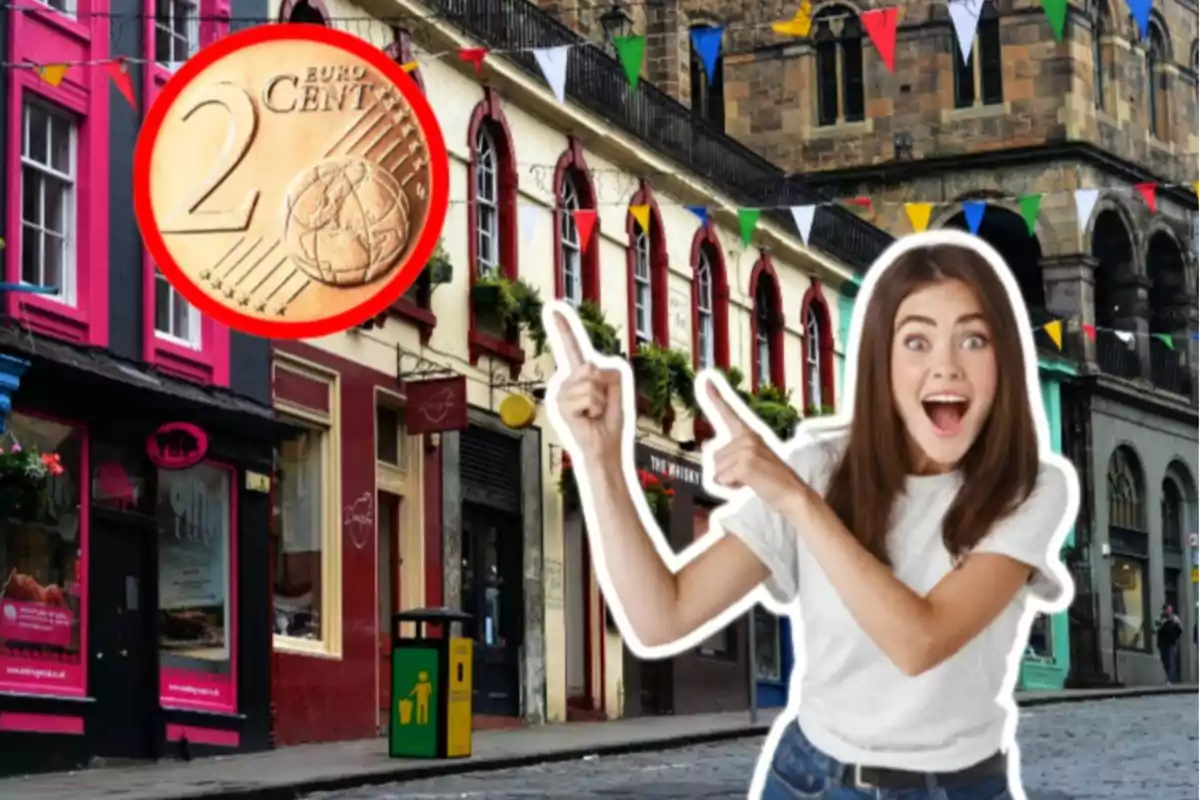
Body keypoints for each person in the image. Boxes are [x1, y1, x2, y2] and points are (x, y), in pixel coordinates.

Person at [545, 233, 1077, 800]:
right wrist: (600, 458)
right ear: (882, 362)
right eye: (916, 341)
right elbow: (662, 617)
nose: (945, 367)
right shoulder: (819, 467)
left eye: (974, 339)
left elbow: (920, 642)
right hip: (812, 781)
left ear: (1005, 361)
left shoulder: (1031, 489)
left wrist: (799, 502)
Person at [1154, 604, 1182, 684]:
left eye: (1170, 610)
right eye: (1168, 610)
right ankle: (1168, 677)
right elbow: (1155, 629)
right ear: (1164, 610)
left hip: (1171, 643)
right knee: (1165, 660)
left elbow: (1180, 630)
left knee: (1171, 661)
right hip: (1162, 644)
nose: (1169, 611)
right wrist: (1162, 625)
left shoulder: (1175, 619)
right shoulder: (1160, 619)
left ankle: (1170, 679)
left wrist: (1175, 636)